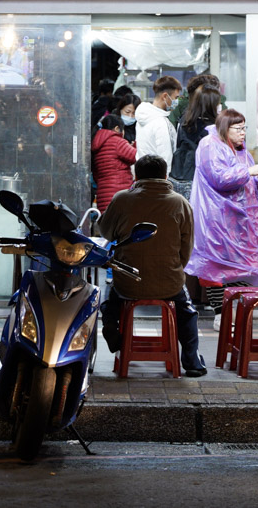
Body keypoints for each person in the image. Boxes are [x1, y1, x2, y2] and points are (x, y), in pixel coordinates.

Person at [97, 154, 207, 378]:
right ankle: (192, 361)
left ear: (136, 176)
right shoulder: (180, 203)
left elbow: (105, 232)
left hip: (127, 283)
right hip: (169, 283)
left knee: (110, 298)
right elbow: (186, 249)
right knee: (187, 312)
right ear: (165, 176)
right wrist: (174, 270)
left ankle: (111, 325)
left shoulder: (122, 199)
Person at [186, 108, 258, 288]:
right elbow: (219, 178)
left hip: (242, 221)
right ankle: (221, 314)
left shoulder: (242, 151)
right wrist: (249, 171)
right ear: (226, 128)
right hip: (219, 219)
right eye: (238, 129)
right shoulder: (209, 145)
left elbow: (251, 187)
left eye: (244, 128)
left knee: (243, 268)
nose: (243, 133)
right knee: (217, 269)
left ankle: (237, 311)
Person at [170, 85, 222, 200]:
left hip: (178, 175)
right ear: (211, 104)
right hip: (198, 180)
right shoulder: (210, 127)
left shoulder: (185, 119)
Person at [134, 75, 181, 171]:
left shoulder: (142, 117)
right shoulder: (161, 123)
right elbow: (166, 158)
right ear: (165, 96)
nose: (176, 101)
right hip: (158, 178)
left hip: (143, 173)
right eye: (175, 97)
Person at [90, 114, 137, 210]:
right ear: (117, 128)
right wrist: (135, 145)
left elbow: (95, 174)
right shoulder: (117, 141)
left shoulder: (96, 144)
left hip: (103, 195)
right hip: (119, 193)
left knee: (107, 223)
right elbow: (135, 156)